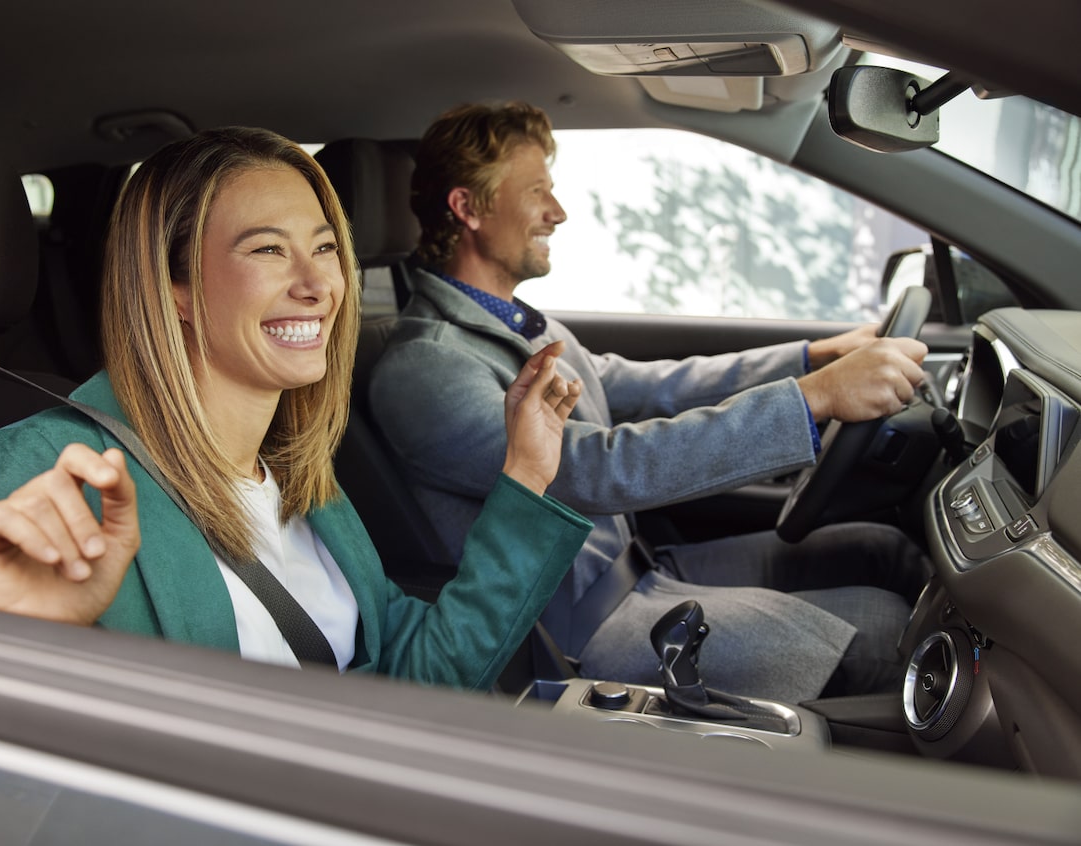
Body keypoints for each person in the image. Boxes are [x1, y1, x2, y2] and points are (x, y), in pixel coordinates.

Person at [0, 126, 592, 692]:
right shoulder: (51, 468)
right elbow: (1, 784)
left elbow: (413, 676)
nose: (318, 286)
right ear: (173, 288)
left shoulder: (297, 476)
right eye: (266, 249)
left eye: (323, 248)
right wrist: (26, 654)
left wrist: (527, 473)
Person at [367, 101, 934, 703]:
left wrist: (810, 359)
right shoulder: (426, 366)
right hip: (583, 627)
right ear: (468, 207)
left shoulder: (515, 325)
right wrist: (812, 400)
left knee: (884, 550)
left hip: (638, 571)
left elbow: (649, 384)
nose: (557, 213)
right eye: (538, 192)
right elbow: (592, 468)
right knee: (885, 639)